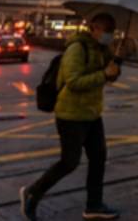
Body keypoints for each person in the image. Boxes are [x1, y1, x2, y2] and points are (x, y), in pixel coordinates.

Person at [21, 13, 121, 220]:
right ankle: (33, 192)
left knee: (99, 158)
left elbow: (105, 77)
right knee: (69, 162)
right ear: (94, 28)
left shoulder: (102, 50)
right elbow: (74, 82)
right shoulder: (77, 48)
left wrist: (115, 67)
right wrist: (104, 74)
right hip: (71, 114)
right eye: (106, 31)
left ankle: (94, 206)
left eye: (112, 32)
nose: (109, 36)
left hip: (92, 113)